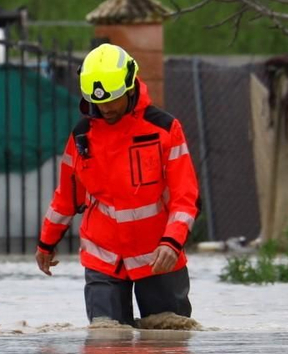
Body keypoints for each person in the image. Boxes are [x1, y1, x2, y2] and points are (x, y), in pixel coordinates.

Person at [36, 43, 200, 325]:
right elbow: (66, 196)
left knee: (168, 341)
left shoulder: (164, 130)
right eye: (99, 101)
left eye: (113, 100)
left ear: (130, 87)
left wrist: (172, 242)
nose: (105, 108)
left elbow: (185, 197)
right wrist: (46, 243)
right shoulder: (81, 137)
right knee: (106, 341)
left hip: (158, 256)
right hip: (103, 257)